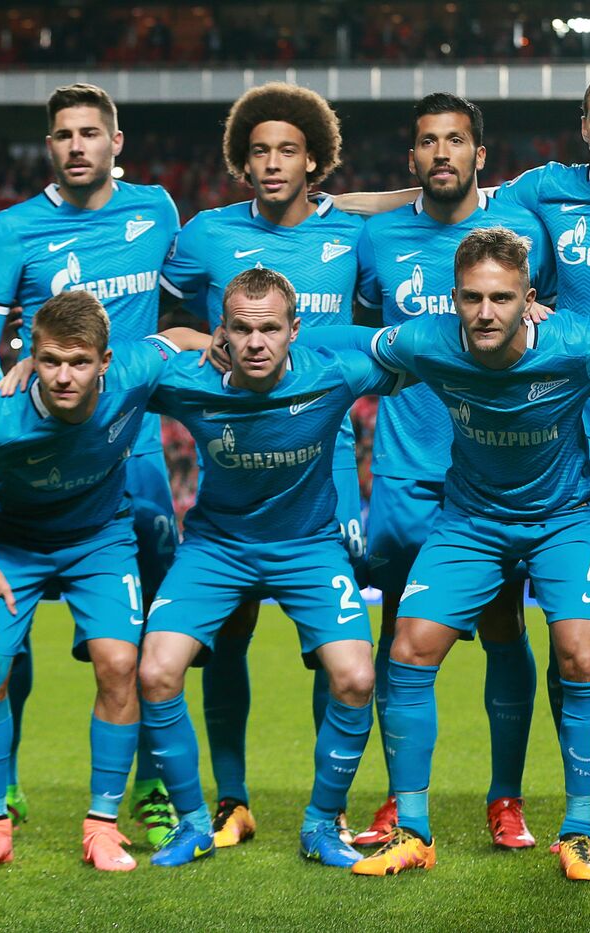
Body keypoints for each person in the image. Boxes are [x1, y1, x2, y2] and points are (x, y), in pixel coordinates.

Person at [349, 228, 590, 882]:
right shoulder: (426, 339)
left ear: (528, 298)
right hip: (473, 519)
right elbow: (349, 344)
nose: (485, 312)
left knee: (582, 653)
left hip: (567, 517)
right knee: (408, 646)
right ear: (453, 298)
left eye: (501, 298)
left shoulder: (575, 341)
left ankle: (578, 831)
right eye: (473, 298)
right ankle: (414, 831)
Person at [0, 82, 181, 848]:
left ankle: (151, 780)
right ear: (49, 146)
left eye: (91, 132)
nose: (77, 144)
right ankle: (5, 781)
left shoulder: (157, 210)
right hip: (44, 439)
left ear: (116, 141)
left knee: (149, 637)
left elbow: (191, 299)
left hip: (136, 449)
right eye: (64, 134)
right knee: (1, 643)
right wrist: (5, 411)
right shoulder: (13, 228)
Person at [0, 292, 205, 872]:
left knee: (120, 664)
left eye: (79, 362)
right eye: (50, 361)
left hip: (98, 538)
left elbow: (176, 338)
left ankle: (101, 827)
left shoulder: (133, 368)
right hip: (11, 543)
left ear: (105, 360)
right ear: (33, 357)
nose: (64, 376)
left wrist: (223, 345)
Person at [135, 268, 405, 868]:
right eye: (242, 330)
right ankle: (194, 825)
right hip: (216, 549)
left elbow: (418, 351)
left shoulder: (333, 375)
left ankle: (319, 824)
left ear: (293, 331)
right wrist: (174, 338)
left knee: (357, 678)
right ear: (222, 334)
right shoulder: (189, 383)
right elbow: (114, 368)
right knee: (155, 673)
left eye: (269, 329)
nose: (256, 343)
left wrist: (526, 320)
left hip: (309, 547)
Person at [157, 81, 365, 849]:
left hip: (325, 455)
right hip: (237, 449)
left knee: (331, 652)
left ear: (313, 160)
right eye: (258, 152)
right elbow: (162, 320)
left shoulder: (353, 236)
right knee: (229, 635)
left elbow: (375, 321)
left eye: (286, 150)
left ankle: (329, 809)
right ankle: (231, 798)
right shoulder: (206, 234)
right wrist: (193, 344)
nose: (271, 164)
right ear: (241, 163)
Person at [350, 92, 555, 849]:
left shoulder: (522, 229)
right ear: (412, 160)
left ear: (479, 153)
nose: (442, 153)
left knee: (505, 626)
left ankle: (506, 798)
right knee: (402, 634)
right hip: (408, 474)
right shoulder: (376, 240)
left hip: (499, 475)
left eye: (456, 140)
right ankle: (403, 801)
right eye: (428, 142)